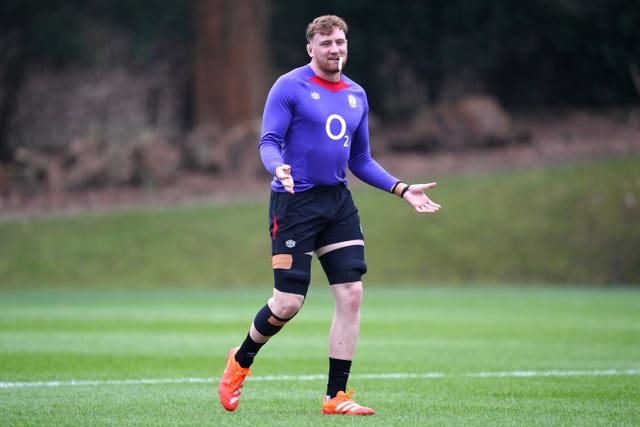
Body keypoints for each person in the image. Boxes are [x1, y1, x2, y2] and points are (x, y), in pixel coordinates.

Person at [217, 14, 441, 416]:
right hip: (295, 202)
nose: (334, 49)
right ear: (311, 49)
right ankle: (242, 359)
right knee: (287, 303)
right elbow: (269, 140)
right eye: (326, 44)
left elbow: (361, 159)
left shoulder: (357, 94)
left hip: (337, 202)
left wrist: (402, 188)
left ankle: (335, 396)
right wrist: (277, 167)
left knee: (351, 294)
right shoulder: (290, 87)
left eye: (340, 42)